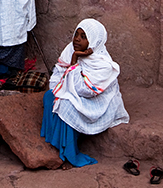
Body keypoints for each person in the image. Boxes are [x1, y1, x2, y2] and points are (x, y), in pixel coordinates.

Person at [41, 18, 129, 166]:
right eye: (76, 34)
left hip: (96, 102)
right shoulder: (70, 49)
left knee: (66, 105)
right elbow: (58, 74)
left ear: (94, 41)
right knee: (50, 96)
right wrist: (59, 89)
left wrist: (75, 61)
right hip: (72, 91)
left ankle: (69, 152)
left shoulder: (104, 65)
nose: (77, 39)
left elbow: (86, 90)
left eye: (83, 37)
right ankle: (54, 144)